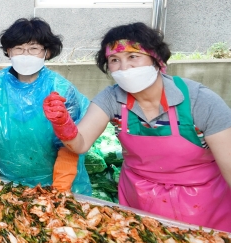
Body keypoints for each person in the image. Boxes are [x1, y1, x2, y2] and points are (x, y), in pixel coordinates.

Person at [44, 22, 231, 231]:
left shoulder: (199, 101)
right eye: (114, 60)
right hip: (139, 203)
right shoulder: (111, 99)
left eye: (133, 57)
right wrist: (63, 125)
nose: (124, 67)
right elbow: (81, 144)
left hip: (204, 208)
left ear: (157, 60)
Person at [0, 18, 92, 194]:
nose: (25, 54)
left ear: (47, 52)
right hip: (2, 181)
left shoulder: (61, 90)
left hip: (48, 184)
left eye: (33, 48)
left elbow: (69, 144)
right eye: (18, 48)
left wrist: (59, 188)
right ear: (8, 51)